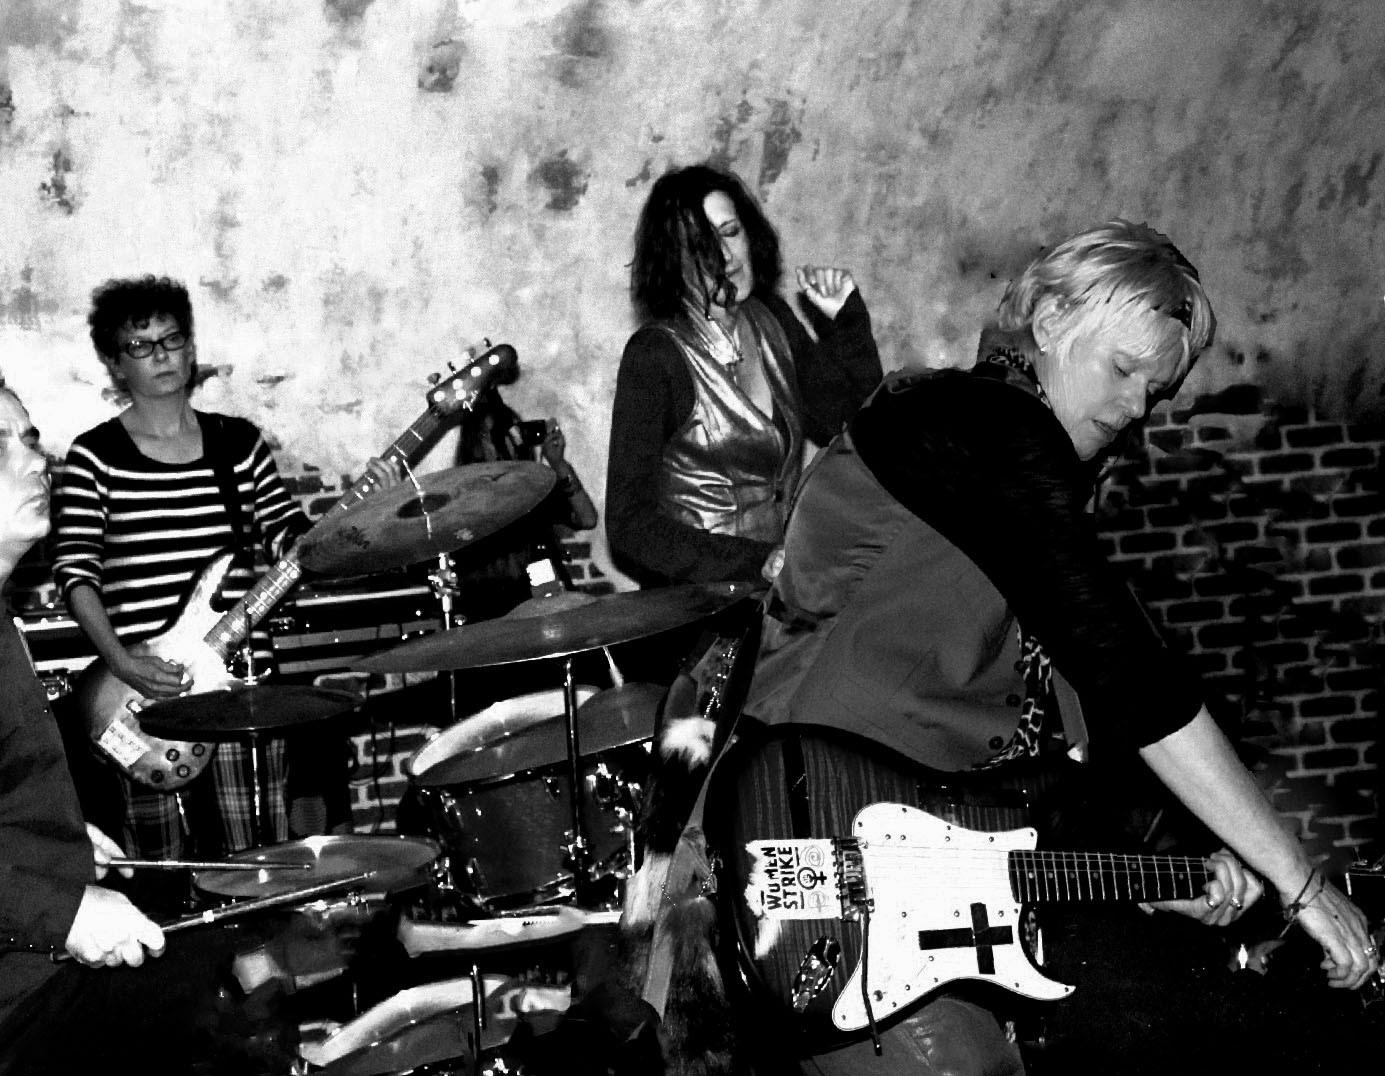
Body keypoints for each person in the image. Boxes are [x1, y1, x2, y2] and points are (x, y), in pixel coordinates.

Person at [724, 220, 1379, 1074]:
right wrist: (1301, 883)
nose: (1135, 408)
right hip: (814, 839)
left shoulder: (1006, 465)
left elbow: (1052, 741)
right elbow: (1130, 674)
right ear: (1048, 321)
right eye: (1121, 370)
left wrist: (1158, 877)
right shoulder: (977, 423)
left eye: (1155, 391)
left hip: (914, 852)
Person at [0, 355, 289, 1074]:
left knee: (227, 940)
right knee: (227, 1009)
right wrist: (64, 910)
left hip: (2, 981)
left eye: (30, 439)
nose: (36, 461)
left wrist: (49, 839)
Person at [52, 276, 395, 864]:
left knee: (259, 854)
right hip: (141, 692)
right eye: (140, 345)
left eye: (172, 339)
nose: (161, 355)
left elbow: (293, 542)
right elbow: (75, 573)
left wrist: (361, 509)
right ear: (114, 363)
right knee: (160, 865)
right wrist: (122, 662)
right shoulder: (95, 456)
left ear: (190, 347)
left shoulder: (238, 443)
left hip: (240, 680)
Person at [605, 163, 882, 588]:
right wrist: (756, 562)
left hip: (775, 594)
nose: (725, 257)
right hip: (694, 605)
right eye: (701, 245)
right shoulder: (656, 355)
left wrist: (846, 321)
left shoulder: (773, 319)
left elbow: (858, 429)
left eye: (730, 232)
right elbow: (629, 524)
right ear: (674, 262)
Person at [453, 385, 599, 622]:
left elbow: (587, 518)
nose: (509, 442)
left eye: (512, 432)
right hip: (495, 615)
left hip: (544, 608)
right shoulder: (463, 499)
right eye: (496, 435)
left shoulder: (532, 489)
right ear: (477, 443)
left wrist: (558, 463)